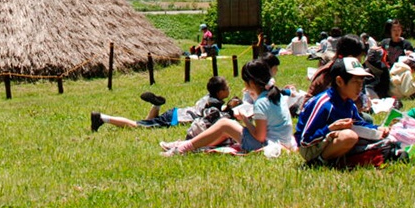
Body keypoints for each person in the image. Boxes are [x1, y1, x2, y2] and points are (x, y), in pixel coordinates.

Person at [161, 60, 295, 155]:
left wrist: (245, 120)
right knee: (224, 129)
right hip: (283, 141)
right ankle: (187, 145)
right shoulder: (276, 95)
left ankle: (182, 148)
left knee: (225, 124)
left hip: (267, 144)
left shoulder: (261, 102)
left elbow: (260, 137)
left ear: (251, 83)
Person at [295, 57, 387, 167]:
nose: (360, 87)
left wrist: (378, 128)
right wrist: (330, 128)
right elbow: (305, 140)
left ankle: (337, 159)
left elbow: (358, 123)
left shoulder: (348, 101)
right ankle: (318, 162)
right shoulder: (324, 103)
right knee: (349, 136)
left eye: (361, 82)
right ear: (340, 81)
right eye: (355, 82)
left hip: (329, 141)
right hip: (310, 147)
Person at [92, 79, 229, 132]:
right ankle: (102, 118)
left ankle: (156, 105)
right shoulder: (213, 104)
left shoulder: (208, 97)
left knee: (148, 122)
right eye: (227, 88)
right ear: (220, 92)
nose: (229, 89)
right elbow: (217, 118)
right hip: (175, 119)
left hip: (175, 112)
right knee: (137, 125)